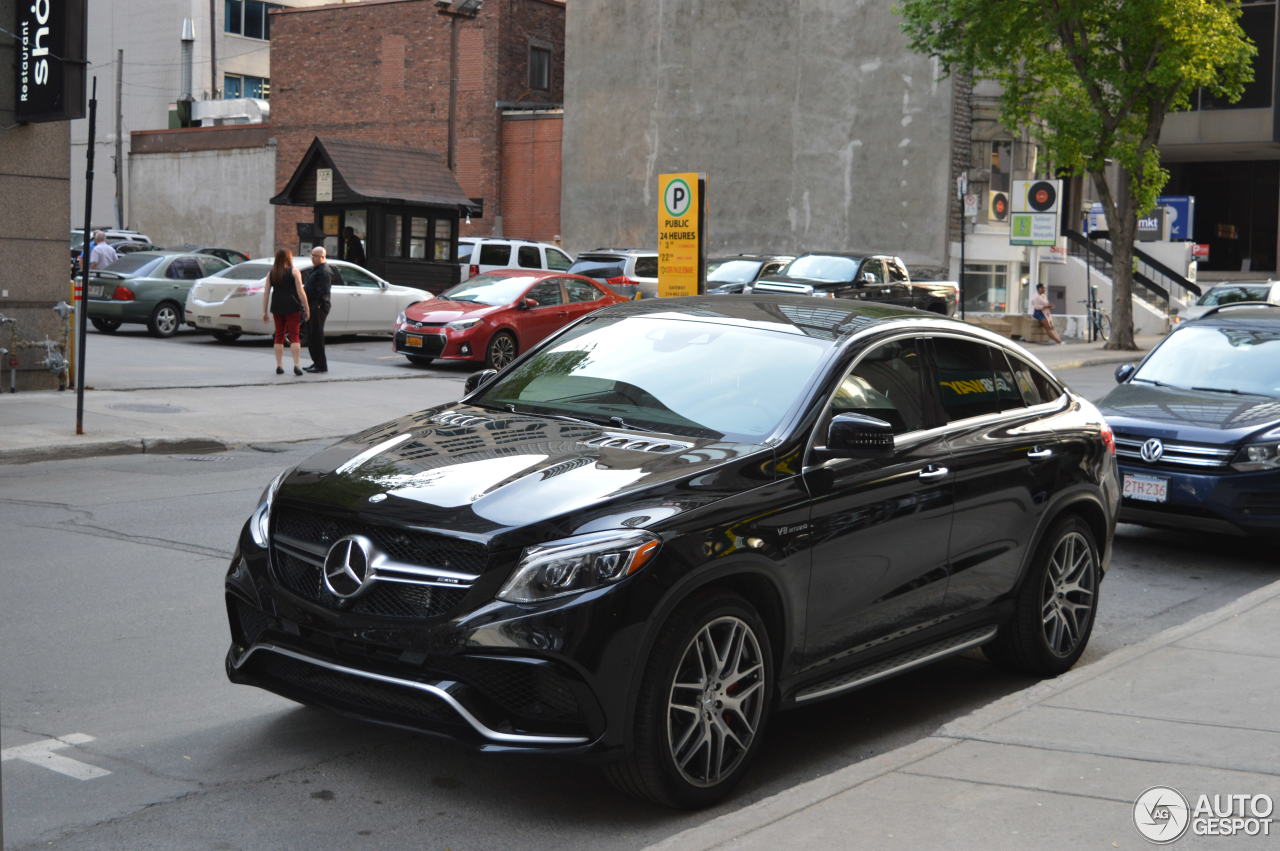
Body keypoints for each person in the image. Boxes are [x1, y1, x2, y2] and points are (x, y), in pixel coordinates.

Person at [262, 249, 310, 376]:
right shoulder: (294, 271)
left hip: (277, 306)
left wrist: (264, 311)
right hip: (292, 306)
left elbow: (266, 293)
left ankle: (279, 365)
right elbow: (301, 292)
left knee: (279, 335)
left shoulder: (272, 273)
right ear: (289, 258)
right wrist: (307, 307)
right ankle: (297, 364)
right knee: (294, 336)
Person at [302, 246, 342, 373]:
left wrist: (316, 306)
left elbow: (323, 292)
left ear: (322, 257)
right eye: (312, 255)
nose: (312, 258)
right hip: (312, 305)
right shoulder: (317, 269)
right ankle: (316, 362)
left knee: (317, 336)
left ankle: (321, 365)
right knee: (312, 336)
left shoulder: (324, 271)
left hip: (318, 306)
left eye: (315, 255)